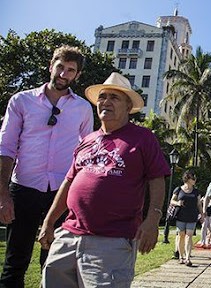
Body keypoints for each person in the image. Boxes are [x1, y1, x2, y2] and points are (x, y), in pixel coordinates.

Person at [38, 72, 171, 287]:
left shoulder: (143, 137)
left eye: (114, 97)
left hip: (112, 241)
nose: (105, 102)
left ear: (128, 107)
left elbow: (157, 178)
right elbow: (69, 182)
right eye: (102, 96)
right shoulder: (87, 140)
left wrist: (153, 219)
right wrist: (49, 221)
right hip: (69, 235)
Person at [0, 45, 94, 287]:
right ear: (51, 66)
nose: (63, 74)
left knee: (54, 262)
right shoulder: (21, 101)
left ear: (77, 75)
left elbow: (86, 155)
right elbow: (6, 148)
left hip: (62, 192)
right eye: (60, 67)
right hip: (24, 187)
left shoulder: (83, 108)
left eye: (70, 70)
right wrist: (3, 195)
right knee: (15, 260)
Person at [170, 170, 202, 266]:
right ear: (187, 179)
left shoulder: (196, 191)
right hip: (180, 215)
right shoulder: (178, 189)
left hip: (192, 216)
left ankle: (188, 257)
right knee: (181, 236)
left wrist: (202, 215)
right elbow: (172, 201)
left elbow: (199, 204)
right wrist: (178, 203)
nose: (195, 180)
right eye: (193, 178)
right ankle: (181, 256)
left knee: (189, 235)